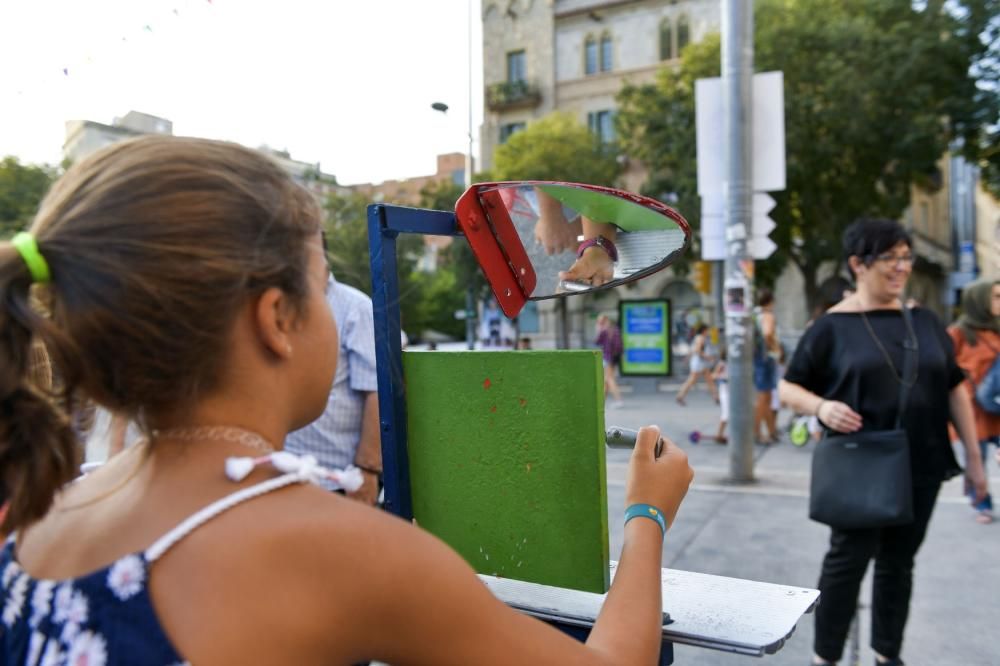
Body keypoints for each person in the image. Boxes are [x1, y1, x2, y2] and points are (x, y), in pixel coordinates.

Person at [0, 135, 694, 664]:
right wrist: (645, 514)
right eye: (323, 280)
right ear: (276, 319)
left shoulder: (40, 511)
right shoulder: (331, 548)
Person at [779, 218, 987, 666]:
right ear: (858, 263)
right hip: (861, 466)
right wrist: (821, 407)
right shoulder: (830, 328)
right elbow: (788, 387)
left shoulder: (926, 321)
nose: (901, 267)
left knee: (899, 563)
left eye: (906, 257)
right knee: (847, 563)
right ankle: (826, 657)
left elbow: (954, 388)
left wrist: (974, 458)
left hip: (923, 464)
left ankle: (886, 655)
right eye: (890, 258)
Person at [285, 273, 382, 505]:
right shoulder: (283, 300)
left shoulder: (355, 307)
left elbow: (377, 391)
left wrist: (367, 470)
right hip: (287, 474)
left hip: (339, 478)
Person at [947, 278, 1000, 524]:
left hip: (997, 407)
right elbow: (946, 370)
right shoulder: (959, 332)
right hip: (972, 409)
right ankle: (982, 503)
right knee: (976, 457)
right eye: (996, 297)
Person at [753, 289, 780, 444]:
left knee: (766, 397)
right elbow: (767, 333)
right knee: (764, 398)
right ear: (771, 301)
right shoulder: (768, 315)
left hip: (758, 359)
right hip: (765, 360)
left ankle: (771, 431)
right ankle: (757, 433)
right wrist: (774, 348)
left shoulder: (757, 314)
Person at [675, 323, 718, 406]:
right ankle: (680, 396)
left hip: (700, 363)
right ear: (704, 330)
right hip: (699, 362)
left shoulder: (697, 338)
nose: (708, 332)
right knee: (691, 380)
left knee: (709, 380)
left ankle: (716, 397)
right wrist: (708, 357)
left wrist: (688, 358)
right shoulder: (701, 338)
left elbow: (693, 350)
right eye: (707, 330)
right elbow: (698, 351)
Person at [595, 314, 625, 409]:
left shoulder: (604, 331)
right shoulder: (615, 329)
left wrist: (599, 329)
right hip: (614, 358)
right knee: (606, 381)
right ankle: (601, 401)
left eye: (599, 322)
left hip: (607, 357)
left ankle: (619, 400)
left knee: (609, 379)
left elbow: (597, 342)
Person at [711, 346, 729, 444]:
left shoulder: (734, 363)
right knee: (726, 415)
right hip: (725, 390)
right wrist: (724, 377)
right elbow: (713, 376)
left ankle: (721, 435)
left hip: (731, 391)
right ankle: (719, 435)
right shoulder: (722, 364)